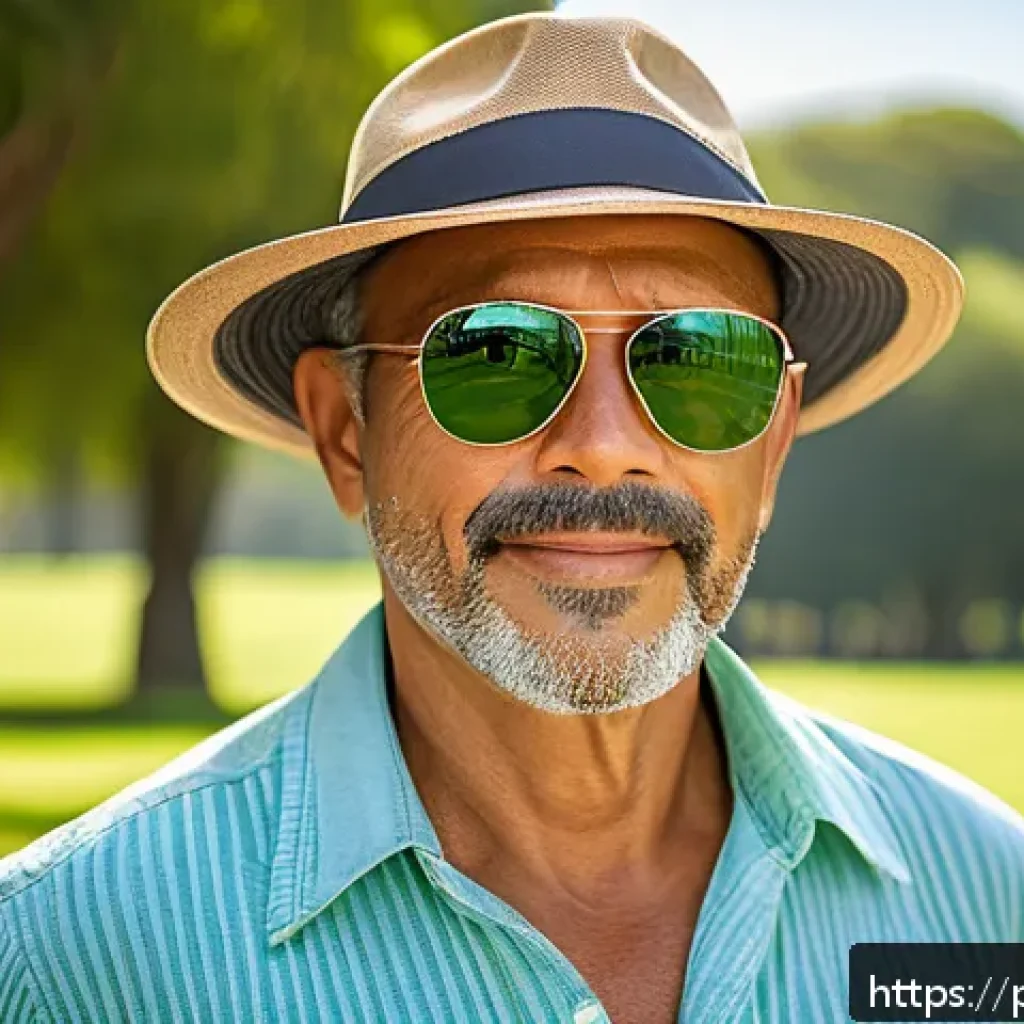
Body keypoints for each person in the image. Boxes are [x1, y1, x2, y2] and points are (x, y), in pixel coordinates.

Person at [2, 13, 1021, 1024]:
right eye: (495, 352)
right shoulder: (71, 958)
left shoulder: (984, 900)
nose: (607, 443)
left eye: (700, 357)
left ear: (775, 434)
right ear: (343, 432)